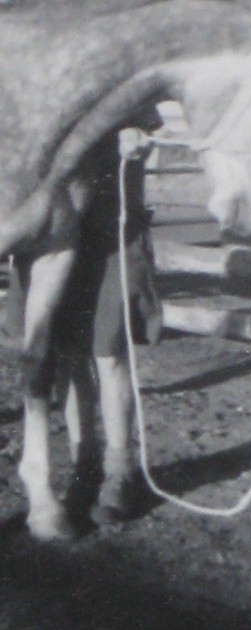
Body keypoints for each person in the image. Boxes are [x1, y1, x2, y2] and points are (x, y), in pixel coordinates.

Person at [5, 105, 164, 526]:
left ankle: (119, 469)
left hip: (109, 230)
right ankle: (84, 461)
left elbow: (146, 140)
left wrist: (134, 143)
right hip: (49, 228)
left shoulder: (124, 81)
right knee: (63, 354)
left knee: (108, 353)